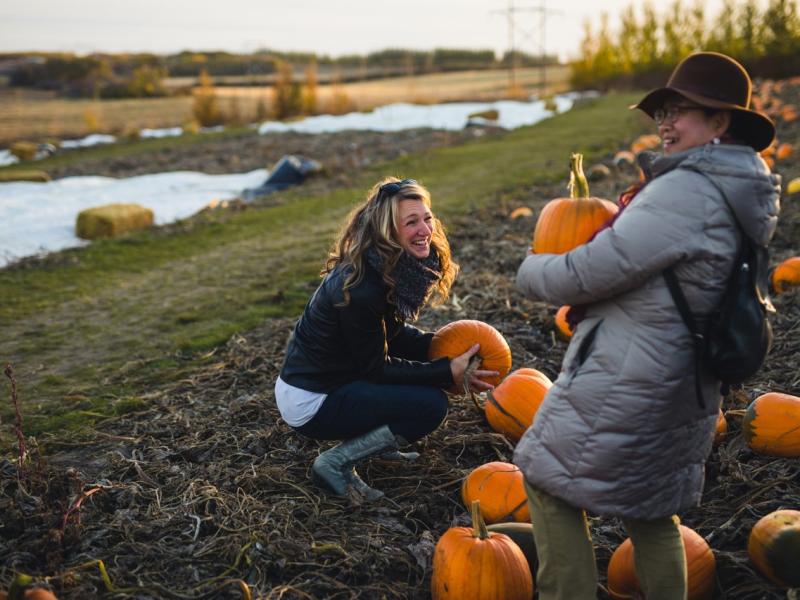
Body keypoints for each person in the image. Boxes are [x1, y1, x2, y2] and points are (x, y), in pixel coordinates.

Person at [513, 52, 781, 598]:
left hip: (633, 377)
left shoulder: (687, 192)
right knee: (653, 513)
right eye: (662, 110)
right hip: (682, 378)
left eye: (681, 111)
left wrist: (531, 269)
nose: (664, 122)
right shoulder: (736, 188)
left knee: (547, 483)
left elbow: (589, 272)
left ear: (720, 122)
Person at [276, 177, 498, 500]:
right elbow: (376, 369)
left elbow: (390, 336)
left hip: (336, 379)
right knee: (430, 405)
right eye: (411, 222)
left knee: (418, 390)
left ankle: (376, 442)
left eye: (427, 218)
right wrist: (445, 372)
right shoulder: (362, 287)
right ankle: (335, 462)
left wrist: (443, 347)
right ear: (387, 232)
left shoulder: (389, 266)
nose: (425, 230)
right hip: (312, 398)